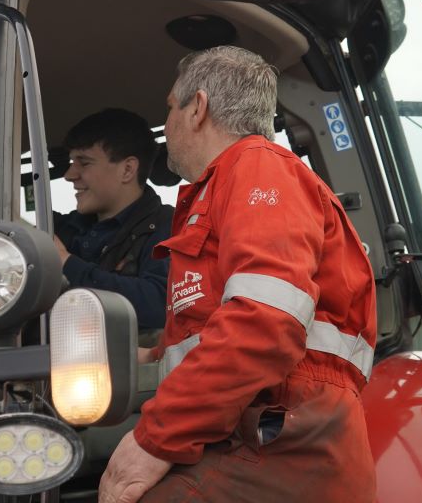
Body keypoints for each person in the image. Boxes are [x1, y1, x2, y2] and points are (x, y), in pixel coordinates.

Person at [99, 47, 378, 502]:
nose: (165, 127)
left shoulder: (257, 168)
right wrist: (153, 357)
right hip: (263, 432)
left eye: (169, 108)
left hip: (279, 442)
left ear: (198, 108)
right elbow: (236, 323)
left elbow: (265, 320)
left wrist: (153, 440)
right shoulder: (228, 185)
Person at [54, 108, 172, 337]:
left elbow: (161, 303)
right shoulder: (60, 229)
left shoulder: (168, 228)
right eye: (71, 162)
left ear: (127, 169)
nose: (69, 174)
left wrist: (66, 263)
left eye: (84, 163)